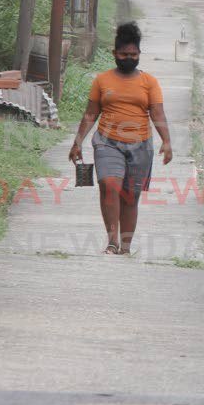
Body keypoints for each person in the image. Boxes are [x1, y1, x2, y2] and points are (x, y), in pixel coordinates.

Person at [68, 22, 172, 254]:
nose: (128, 58)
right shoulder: (102, 81)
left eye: (133, 54)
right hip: (107, 142)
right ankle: (112, 240)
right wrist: (78, 141)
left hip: (140, 145)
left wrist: (166, 141)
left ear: (139, 55)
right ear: (114, 54)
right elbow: (91, 113)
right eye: (124, 54)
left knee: (130, 197)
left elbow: (157, 112)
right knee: (109, 185)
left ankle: (125, 246)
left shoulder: (149, 83)